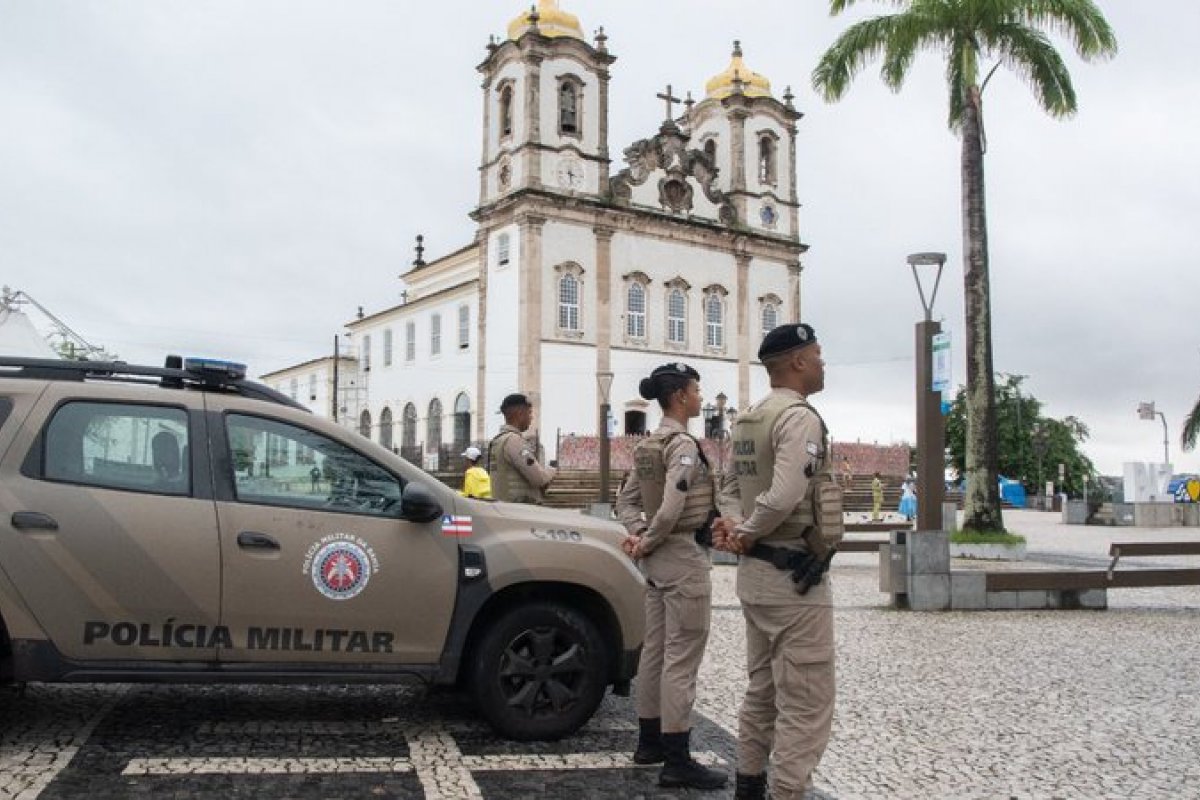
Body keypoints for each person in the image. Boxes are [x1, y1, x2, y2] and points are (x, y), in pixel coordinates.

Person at [712, 323, 841, 800]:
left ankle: (748, 786)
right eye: (819, 354)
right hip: (794, 579)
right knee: (806, 703)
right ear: (798, 362)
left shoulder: (748, 418)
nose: (824, 363)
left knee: (762, 689)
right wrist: (744, 530)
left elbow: (727, 487)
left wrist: (735, 527)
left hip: (756, 576)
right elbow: (786, 493)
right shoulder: (798, 417)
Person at [615, 363, 726, 791]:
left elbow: (624, 502)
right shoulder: (680, 444)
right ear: (680, 396)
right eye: (696, 390)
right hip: (680, 554)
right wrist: (651, 538)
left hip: (656, 561)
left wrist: (639, 535)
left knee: (655, 654)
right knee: (682, 659)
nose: (700, 397)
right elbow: (674, 503)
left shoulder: (647, 445)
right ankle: (677, 760)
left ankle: (649, 744)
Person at [488, 393, 556, 504]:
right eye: (529, 413)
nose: (531, 417)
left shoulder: (497, 441)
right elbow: (539, 479)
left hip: (503, 508)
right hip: (518, 510)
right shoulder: (514, 441)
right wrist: (553, 471)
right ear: (520, 414)